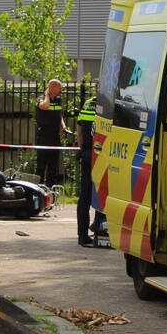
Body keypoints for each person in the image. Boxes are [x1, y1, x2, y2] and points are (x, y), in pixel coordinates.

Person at [35, 79, 70, 187]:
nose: (61, 90)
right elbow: (44, 106)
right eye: (59, 88)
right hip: (43, 136)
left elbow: (59, 115)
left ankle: (50, 188)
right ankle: (38, 188)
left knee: (53, 165)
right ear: (53, 87)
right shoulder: (40, 99)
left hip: (55, 136)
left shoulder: (58, 100)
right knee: (41, 165)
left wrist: (63, 127)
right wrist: (47, 95)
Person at [75, 95, 97, 246]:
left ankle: (82, 235)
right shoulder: (109, 104)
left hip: (87, 153)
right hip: (102, 155)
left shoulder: (88, 103)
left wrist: (81, 148)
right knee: (104, 193)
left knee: (85, 195)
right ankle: (101, 231)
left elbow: (79, 129)